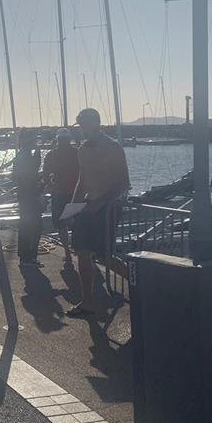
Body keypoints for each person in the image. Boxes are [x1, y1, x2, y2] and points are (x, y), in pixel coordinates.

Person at [67, 108, 130, 317]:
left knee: (105, 257)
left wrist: (102, 203)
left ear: (95, 123)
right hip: (87, 208)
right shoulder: (82, 150)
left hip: (107, 210)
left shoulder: (113, 147)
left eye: (83, 124)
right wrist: (73, 206)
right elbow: (82, 181)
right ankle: (87, 302)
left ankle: (138, 283)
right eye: (80, 125)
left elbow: (123, 184)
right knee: (82, 253)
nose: (81, 129)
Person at [42, 128, 80, 262]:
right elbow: (46, 174)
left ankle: (71, 251)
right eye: (62, 140)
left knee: (67, 224)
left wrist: (51, 186)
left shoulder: (55, 154)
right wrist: (51, 187)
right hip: (66, 194)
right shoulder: (75, 152)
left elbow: (45, 175)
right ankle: (70, 251)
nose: (63, 142)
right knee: (65, 224)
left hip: (72, 194)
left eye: (64, 140)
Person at [13, 129, 43, 267]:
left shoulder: (21, 156)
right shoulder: (25, 156)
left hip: (25, 195)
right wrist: (38, 154)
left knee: (27, 226)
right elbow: (32, 172)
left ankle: (26, 256)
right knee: (33, 227)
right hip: (29, 196)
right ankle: (28, 257)